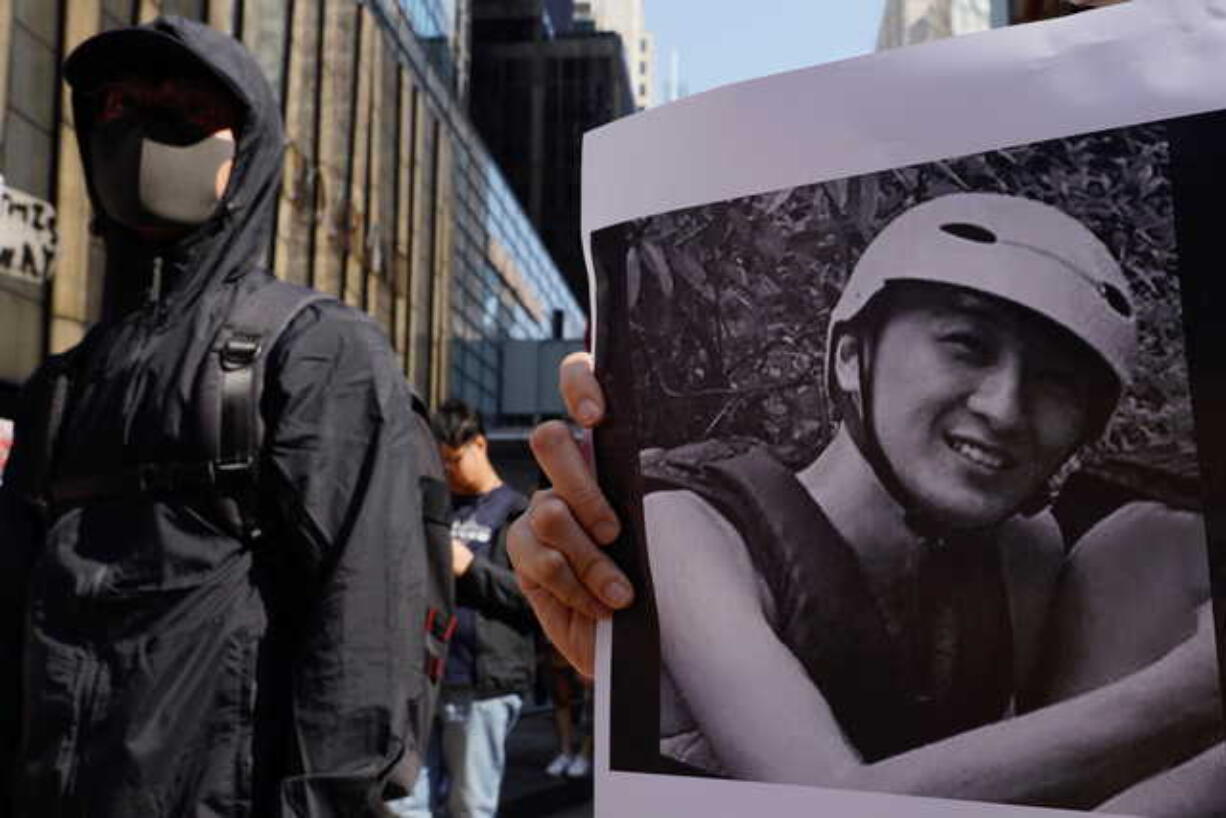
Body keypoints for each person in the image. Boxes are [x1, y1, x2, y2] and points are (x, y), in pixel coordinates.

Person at [508, 194, 1222, 810]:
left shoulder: (1023, 555)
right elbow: (821, 798)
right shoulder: (691, 525)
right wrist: (1189, 693)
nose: (1005, 409)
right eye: (966, 345)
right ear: (852, 355)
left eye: (1056, 382)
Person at [0, 18, 434, 817]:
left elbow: (363, 639)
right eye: (122, 105)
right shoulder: (59, 386)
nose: (143, 131)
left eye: (186, 112)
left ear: (249, 154)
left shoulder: (316, 349)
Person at [389, 400, 535, 818]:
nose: (449, 470)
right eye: (442, 462)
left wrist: (470, 568)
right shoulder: (436, 506)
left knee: (470, 806)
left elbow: (533, 599)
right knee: (403, 801)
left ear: (480, 445)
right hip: (424, 677)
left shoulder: (516, 513)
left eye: (454, 459)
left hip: (483, 683)